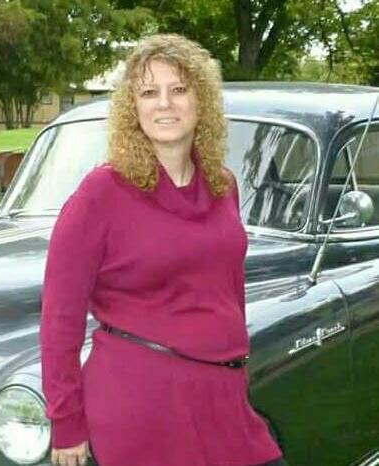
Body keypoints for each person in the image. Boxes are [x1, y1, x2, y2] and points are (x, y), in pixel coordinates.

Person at [40, 34, 287, 466]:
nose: (164, 104)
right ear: (132, 108)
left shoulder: (222, 185)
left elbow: (228, 289)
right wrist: (66, 421)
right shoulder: (101, 193)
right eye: (149, 92)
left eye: (179, 89)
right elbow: (61, 316)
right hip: (143, 405)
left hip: (223, 395)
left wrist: (237, 366)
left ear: (201, 101)